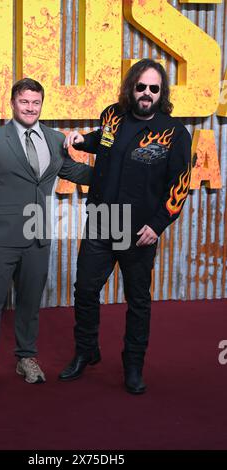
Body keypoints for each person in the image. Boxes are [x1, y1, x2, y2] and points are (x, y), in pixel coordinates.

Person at [59, 59, 192, 394]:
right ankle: (86, 351)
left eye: (154, 88)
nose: (146, 93)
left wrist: (158, 224)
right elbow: (103, 141)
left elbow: (180, 184)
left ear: (161, 93)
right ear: (131, 87)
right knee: (86, 290)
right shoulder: (112, 115)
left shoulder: (174, 133)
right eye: (141, 86)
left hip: (139, 232)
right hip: (102, 222)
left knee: (138, 301)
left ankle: (133, 365)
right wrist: (79, 140)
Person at [0, 78, 92, 391]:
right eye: (25, 102)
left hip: (38, 235)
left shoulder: (53, 138)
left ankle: (26, 357)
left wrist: (117, 168)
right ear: (13, 103)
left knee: (30, 302)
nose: (30, 108)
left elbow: (74, 173)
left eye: (35, 102)